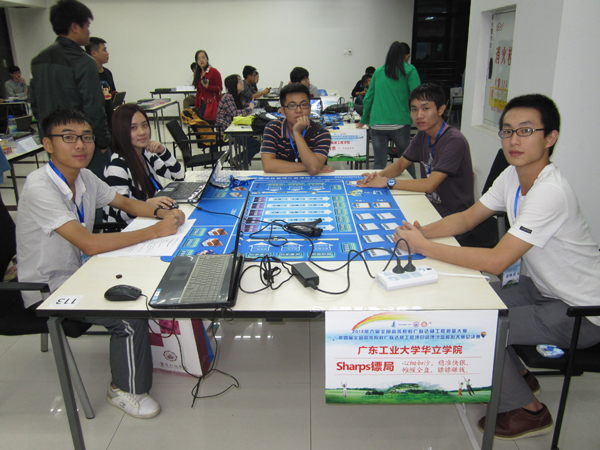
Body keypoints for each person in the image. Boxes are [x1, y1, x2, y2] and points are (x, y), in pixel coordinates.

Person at [394, 94, 600, 440]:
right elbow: (467, 218)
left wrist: (424, 247)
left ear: (550, 138)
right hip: (545, 290)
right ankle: (519, 378)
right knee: (469, 298)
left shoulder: (550, 191)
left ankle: (529, 412)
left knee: (477, 326)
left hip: (582, 310)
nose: (514, 140)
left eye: (526, 131)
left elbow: (497, 260)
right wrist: (420, 233)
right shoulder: (512, 175)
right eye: (507, 131)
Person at [16, 106, 185, 419]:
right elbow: (90, 243)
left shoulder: (84, 177)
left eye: (86, 137)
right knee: (129, 315)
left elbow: (125, 203)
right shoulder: (40, 186)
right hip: (49, 286)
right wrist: (156, 230)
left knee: (150, 278)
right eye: (69, 137)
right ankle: (124, 389)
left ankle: (149, 354)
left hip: (82, 269)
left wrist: (163, 213)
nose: (80, 145)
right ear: (48, 144)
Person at [358, 83, 474, 219]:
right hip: (427, 204)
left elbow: (429, 185)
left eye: (426, 108)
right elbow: (401, 164)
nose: (419, 115)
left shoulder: (454, 141)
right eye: (414, 109)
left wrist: (387, 182)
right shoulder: (423, 134)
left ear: (441, 109)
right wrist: (378, 176)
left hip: (453, 216)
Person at [29, 0, 111, 181]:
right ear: (75, 27)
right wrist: (103, 141)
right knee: (96, 188)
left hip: (54, 141)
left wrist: (48, 137)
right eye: (87, 26)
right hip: (81, 141)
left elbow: (35, 102)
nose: (88, 32)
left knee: (64, 186)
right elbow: (94, 106)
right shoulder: (84, 61)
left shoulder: (38, 60)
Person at [104, 103, 183, 224]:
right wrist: (147, 203)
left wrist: (163, 152)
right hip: (129, 228)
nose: (142, 132)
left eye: (144, 125)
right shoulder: (117, 165)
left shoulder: (145, 154)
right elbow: (119, 212)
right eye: (133, 128)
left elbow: (178, 176)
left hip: (149, 218)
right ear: (121, 131)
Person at [357, 42, 420, 172]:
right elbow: (418, 96)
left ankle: (375, 184)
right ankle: (411, 184)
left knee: (379, 162)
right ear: (406, 55)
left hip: (377, 124)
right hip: (400, 122)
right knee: (406, 161)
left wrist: (364, 119)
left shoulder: (379, 71)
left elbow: (368, 98)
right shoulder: (409, 70)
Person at [261, 83, 333, 175]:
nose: (299, 110)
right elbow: (268, 166)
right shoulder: (273, 128)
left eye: (303, 105)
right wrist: (309, 166)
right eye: (292, 106)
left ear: (310, 108)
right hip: (280, 181)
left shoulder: (321, 133)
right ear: (282, 110)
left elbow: (313, 169)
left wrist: (297, 133)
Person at [216, 74, 260, 167]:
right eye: (239, 81)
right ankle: (240, 164)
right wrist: (250, 107)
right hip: (227, 132)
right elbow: (235, 113)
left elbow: (244, 106)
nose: (242, 83)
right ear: (234, 84)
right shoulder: (228, 97)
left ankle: (236, 160)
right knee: (255, 145)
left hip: (235, 128)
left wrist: (252, 104)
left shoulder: (236, 96)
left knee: (255, 144)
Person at [85, 37, 116, 133]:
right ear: (94, 53)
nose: (107, 53)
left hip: (110, 122)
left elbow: (112, 93)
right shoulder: (86, 75)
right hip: (94, 124)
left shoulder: (107, 73)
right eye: (104, 50)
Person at [193, 50, 222, 122]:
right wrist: (196, 105)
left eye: (203, 58)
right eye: (198, 59)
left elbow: (220, 88)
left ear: (207, 59)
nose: (201, 60)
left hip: (211, 104)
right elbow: (199, 91)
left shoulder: (213, 71)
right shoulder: (198, 74)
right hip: (202, 104)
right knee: (203, 126)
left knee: (210, 125)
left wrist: (208, 87)